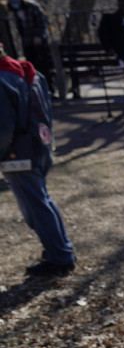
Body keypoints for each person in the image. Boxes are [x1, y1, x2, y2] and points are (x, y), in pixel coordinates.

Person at [1, 41, 76, 277]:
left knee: (35, 205)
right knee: (41, 200)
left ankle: (60, 255)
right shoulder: (27, 71)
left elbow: (3, 129)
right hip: (39, 144)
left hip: (18, 152)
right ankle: (57, 247)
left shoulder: (2, 81)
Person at [4, 0, 55, 98]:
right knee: (32, 65)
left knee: (44, 66)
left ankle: (50, 89)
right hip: (27, 41)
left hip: (39, 41)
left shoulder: (32, 6)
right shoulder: (15, 11)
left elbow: (42, 22)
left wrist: (38, 36)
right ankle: (35, 90)